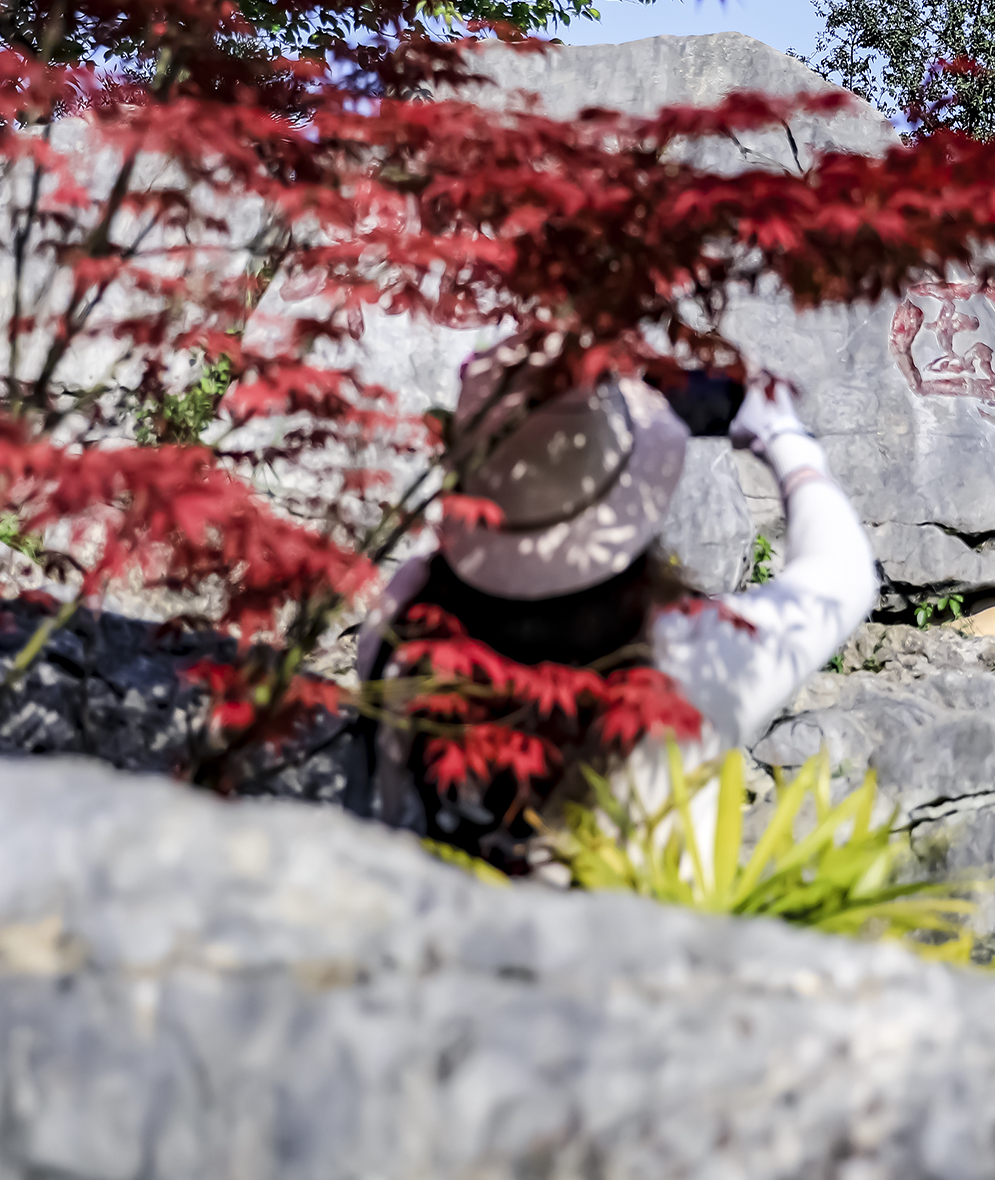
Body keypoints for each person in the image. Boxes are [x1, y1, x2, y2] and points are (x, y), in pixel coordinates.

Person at [346, 340, 878, 872]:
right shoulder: (683, 660)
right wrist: (782, 434)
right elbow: (842, 576)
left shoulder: (400, 632)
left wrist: (514, 482)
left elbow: (440, 557)